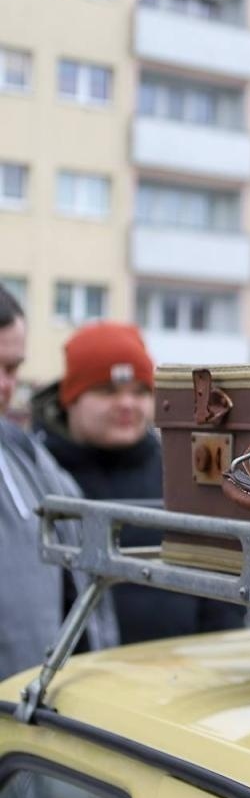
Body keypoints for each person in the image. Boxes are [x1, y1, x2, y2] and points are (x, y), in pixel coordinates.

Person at [32, 321, 243, 644]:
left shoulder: (180, 474)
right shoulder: (34, 475)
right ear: (69, 398)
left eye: (140, 391)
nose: (127, 404)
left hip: (179, 674)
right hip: (64, 679)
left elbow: (220, 584)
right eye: (107, 391)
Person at [0, 287, 119, 678]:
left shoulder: (25, 456)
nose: (5, 385)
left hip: (25, 723)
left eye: (12, 369)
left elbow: (88, 595)